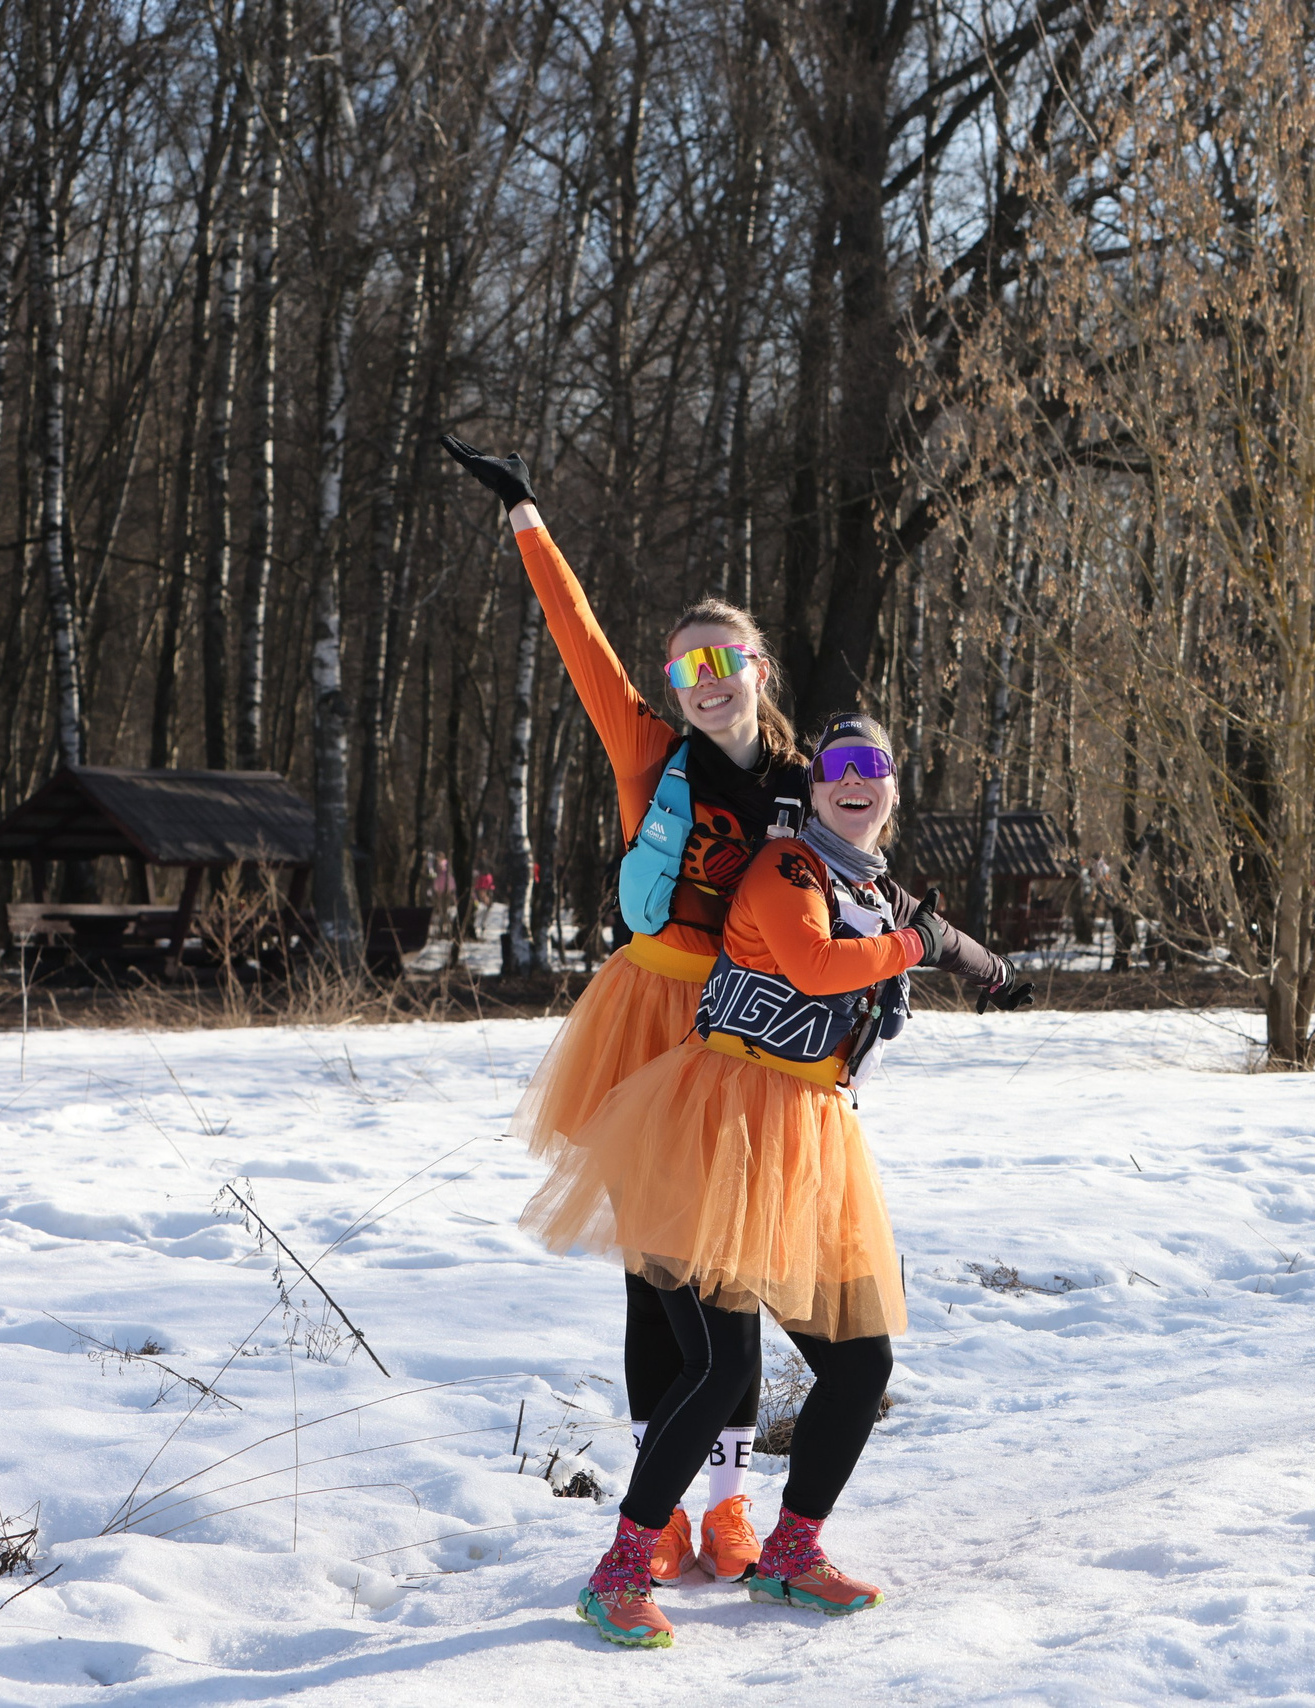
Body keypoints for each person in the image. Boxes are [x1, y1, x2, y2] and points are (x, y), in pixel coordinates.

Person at [533, 713, 1033, 1648]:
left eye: (872, 769)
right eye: (838, 767)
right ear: (815, 789)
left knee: (860, 1362)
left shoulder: (871, 885)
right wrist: (920, 947)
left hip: (807, 1133)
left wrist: (994, 968)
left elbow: (933, 930)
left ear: (892, 789)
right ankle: (621, 1570)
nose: (855, 782)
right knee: (719, 1364)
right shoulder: (787, 869)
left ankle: (792, 1554)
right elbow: (813, 963)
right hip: (717, 1124)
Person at [443, 433, 808, 1587]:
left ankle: (731, 1512)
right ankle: (653, 1518)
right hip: (647, 1015)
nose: (708, 682)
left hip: (749, 1028)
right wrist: (527, 517)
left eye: (726, 662)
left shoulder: (805, 784)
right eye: (688, 668)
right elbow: (579, 641)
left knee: (735, 1266)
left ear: (759, 668)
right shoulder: (649, 753)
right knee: (658, 1278)